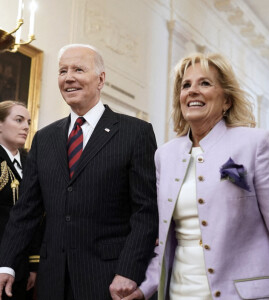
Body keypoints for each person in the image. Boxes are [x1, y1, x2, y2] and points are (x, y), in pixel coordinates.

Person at [124, 52, 269, 300]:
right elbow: (164, 239)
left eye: (204, 83)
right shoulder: (165, 155)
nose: (192, 91)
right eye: (186, 85)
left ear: (226, 100)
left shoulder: (255, 143)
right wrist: (145, 288)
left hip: (245, 294)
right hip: (180, 291)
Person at [0, 44, 158, 300]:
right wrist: (6, 263)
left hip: (110, 280)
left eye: (78, 69)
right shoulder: (44, 138)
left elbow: (146, 211)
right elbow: (26, 210)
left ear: (100, 79)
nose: (68, 77)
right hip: (52, 282)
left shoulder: (135, 133)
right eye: (63, 71)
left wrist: (129, 270)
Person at [0, 101, 41, 299]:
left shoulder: (30, 162)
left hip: (23, 263)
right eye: (18, 120)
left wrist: (34, 263)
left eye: (28, 122)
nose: (26, 126)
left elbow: (37, 216)